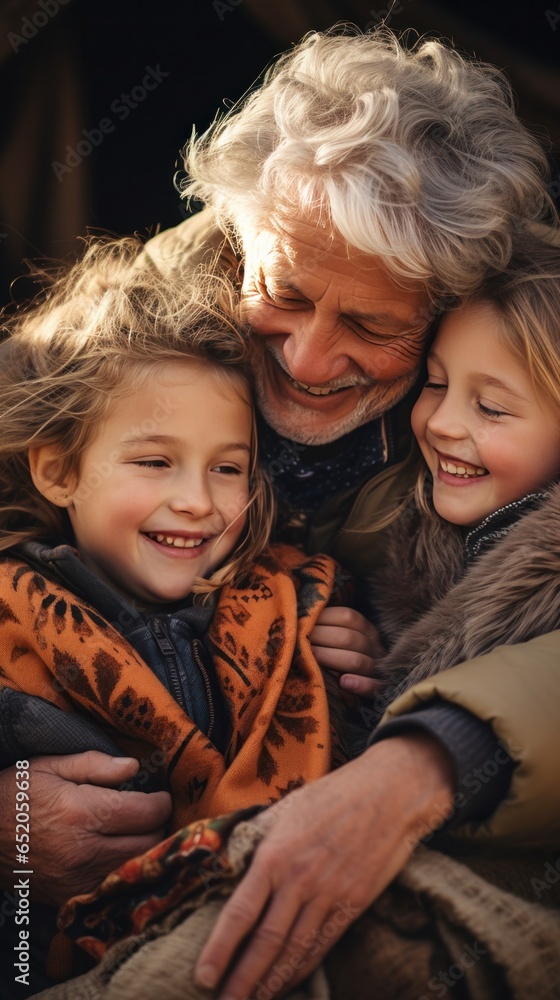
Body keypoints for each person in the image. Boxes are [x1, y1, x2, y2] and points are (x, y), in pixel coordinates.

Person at [1, 25, 559, 1000]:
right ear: (237, 234)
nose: (303, 360)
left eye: (373, 327)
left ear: (449, 306)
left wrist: (421, 764)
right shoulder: (105, 344)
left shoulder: (512, 380)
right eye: (283, 294)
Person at [0, 236, 357, 992]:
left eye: (227, 468)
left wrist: (339, 646)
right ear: (59, 468)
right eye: (155, 461)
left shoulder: (282, 605)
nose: (199, 501)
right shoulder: (10, 622)